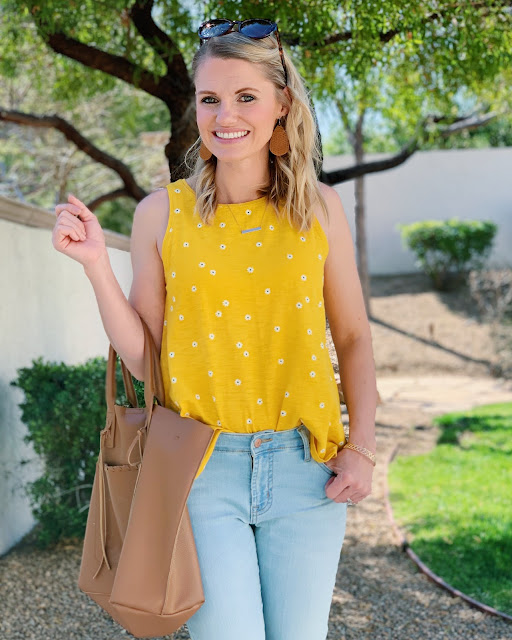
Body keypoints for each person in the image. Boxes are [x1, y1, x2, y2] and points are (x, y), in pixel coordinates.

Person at [52, 18, 377, 640]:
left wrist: (360, 447)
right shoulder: (159, 215)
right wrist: (96, 265)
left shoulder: (319, 210)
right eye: (210, 99)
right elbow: (149, 359)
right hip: (200, 468)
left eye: (246, 96)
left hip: (306, 466)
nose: (225, 115)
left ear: (283, 105)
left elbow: (355, 337)